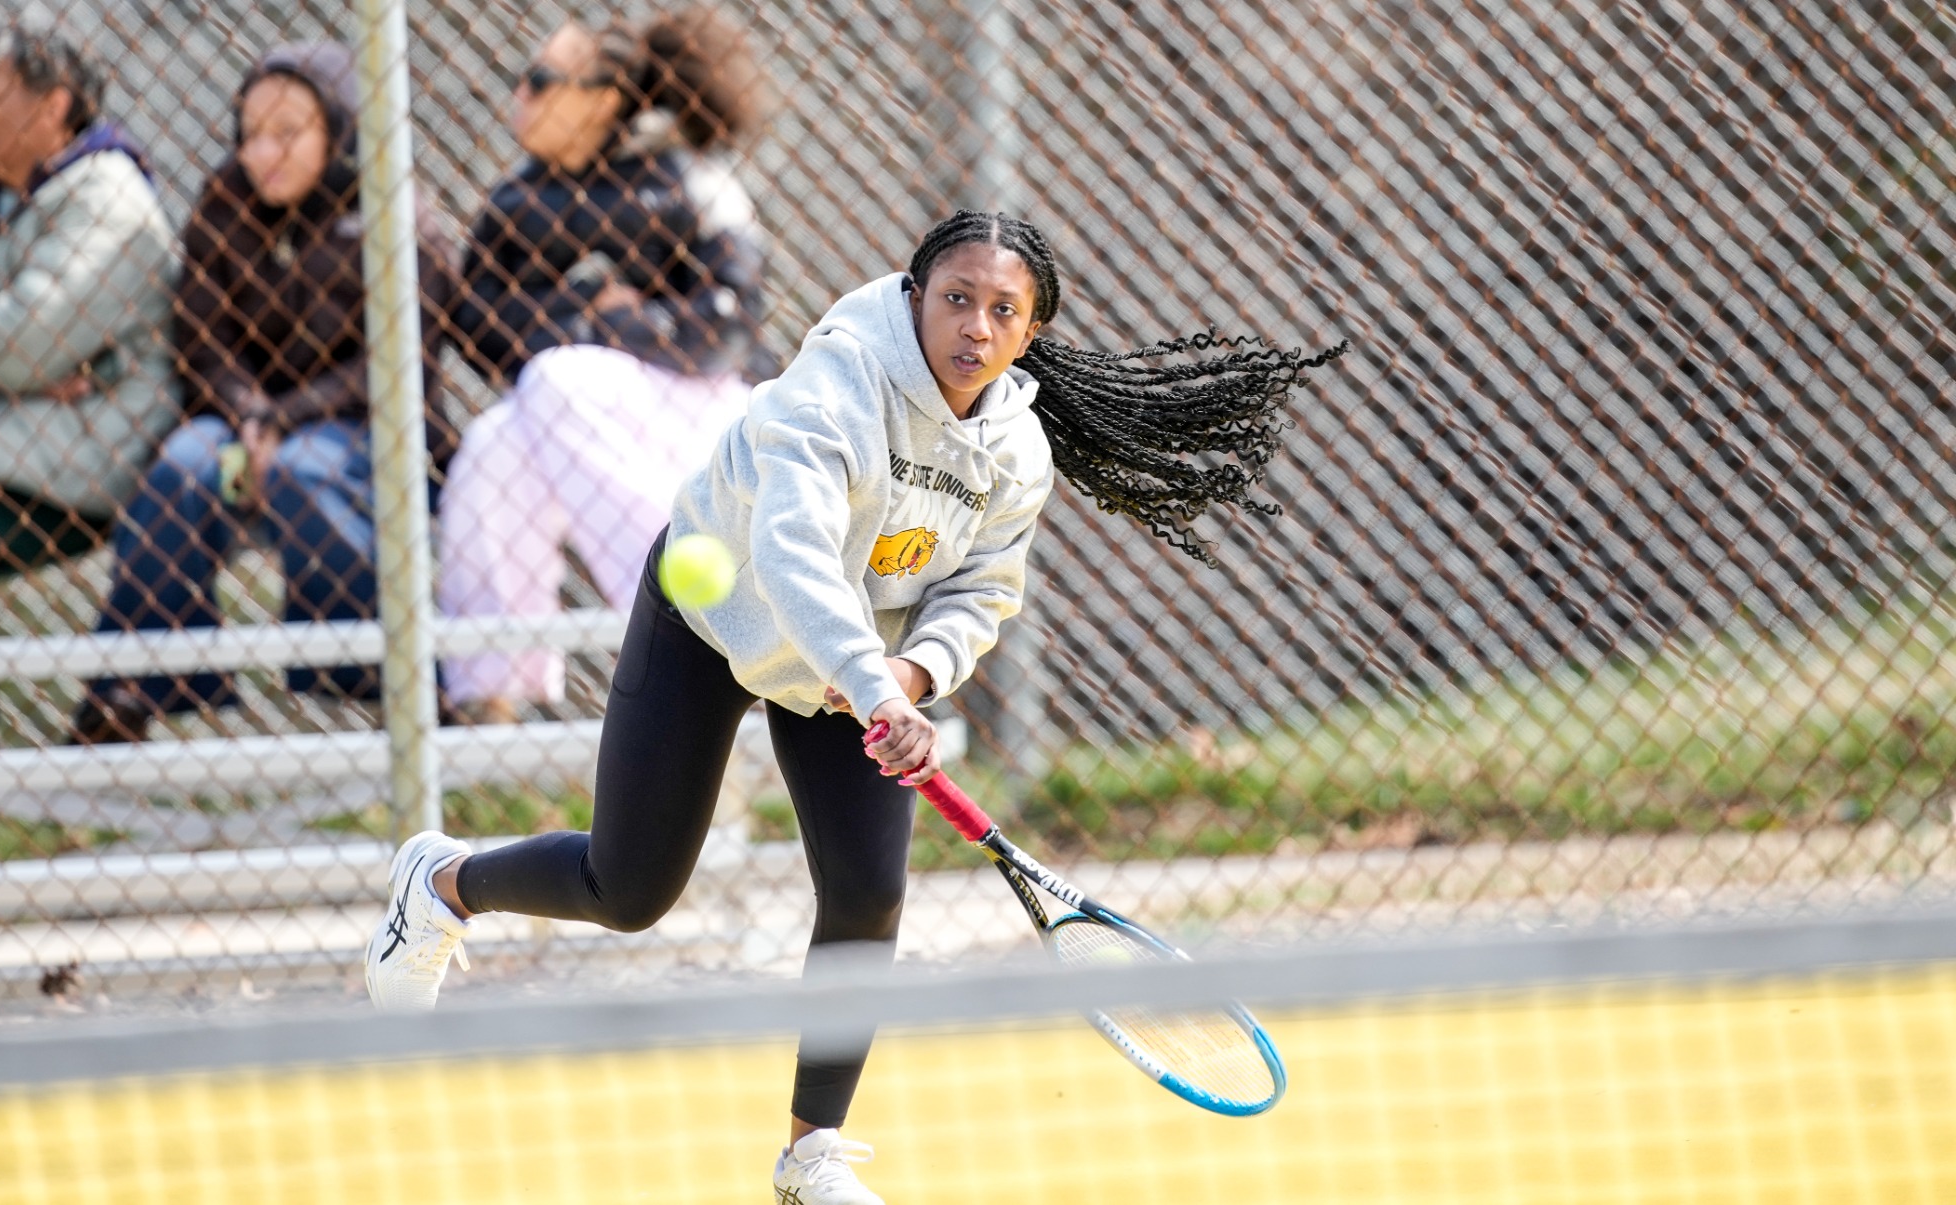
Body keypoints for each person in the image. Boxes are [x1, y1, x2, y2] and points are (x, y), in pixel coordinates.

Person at [366, 211, 1347, 1203]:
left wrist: (914, 675)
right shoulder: (833, 384)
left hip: (858, 665)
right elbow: (793, 552)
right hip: (717, 612)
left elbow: (980, 592)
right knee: (628, 890)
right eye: (955, 297)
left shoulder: (1015, 449)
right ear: (915, 294)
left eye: (1000, 310)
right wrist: (876, 681)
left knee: (870, 890)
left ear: (1028, 334)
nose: (972, 325)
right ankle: (443, 881)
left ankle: (809, 1154)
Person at [70, 42, 459, 743]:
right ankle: (132, 687)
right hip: (235, 418)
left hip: (359, 423)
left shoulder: (397, 213)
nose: (262, 153)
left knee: (302, 471)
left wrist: (279, 418)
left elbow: (395, 364)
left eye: (288, 133)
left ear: (340, 128)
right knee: (181, 468)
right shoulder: (226, 199)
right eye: (250, 134)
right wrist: (250, 411)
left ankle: (393, 683)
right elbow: (201, 335)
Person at [438, 7, 768, 723]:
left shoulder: (688, 180)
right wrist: (593, 313)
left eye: (541, 81)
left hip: (703, 401)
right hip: (576, 413)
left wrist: (615, 325)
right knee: (492, 446)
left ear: (605, 98)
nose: (519, 98)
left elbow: (731, 321)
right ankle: (496, 703)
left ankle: (695, 628)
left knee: (559, 377)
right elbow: (479, 322)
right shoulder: (515, 199)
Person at [0, 26, 180, 729]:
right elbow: (7, 348)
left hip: (82, 457)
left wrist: (2, 370)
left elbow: (22, 342)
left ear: (53, 108)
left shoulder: (109, 197)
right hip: (2, 432)